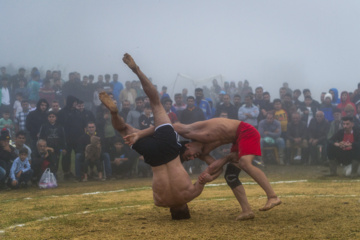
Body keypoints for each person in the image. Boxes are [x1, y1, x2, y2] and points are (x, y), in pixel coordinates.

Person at [100, 53, 214, 220]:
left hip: (170, 148)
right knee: (124, 130)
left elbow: (203, 179)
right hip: (153, 157)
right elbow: (157, 195)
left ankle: (137, 70)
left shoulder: (190, 195)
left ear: (186, 207)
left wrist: (205, 179)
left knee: (155, 102)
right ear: (172, 212)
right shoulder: (160, 202)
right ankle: (114, 114)